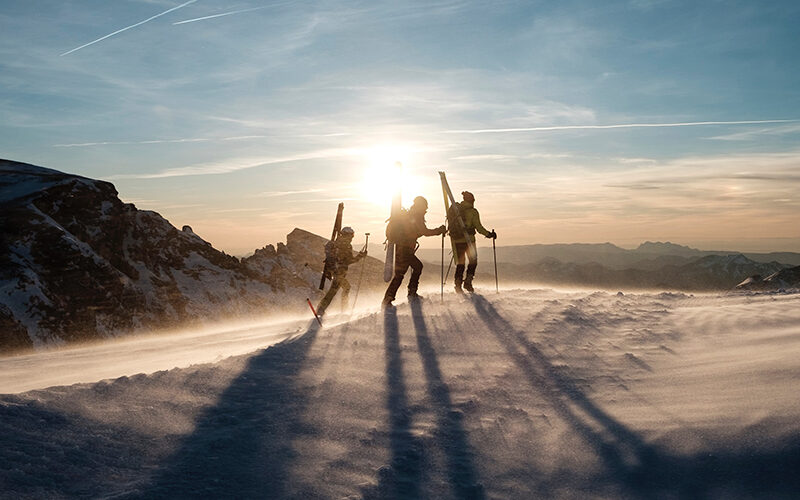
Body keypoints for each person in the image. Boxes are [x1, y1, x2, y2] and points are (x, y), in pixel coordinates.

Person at [382, 196, 446, 308]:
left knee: (407, 271)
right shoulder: (416, 216)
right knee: (406, 272)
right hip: (405, 249)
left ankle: (396, 296)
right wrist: (439, 231)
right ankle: (397, 297)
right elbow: (424, 231)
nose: (426, 208)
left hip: (402, 247)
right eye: (425, 206)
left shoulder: (410, 214)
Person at [450, 190, 496, 293]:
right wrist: (489, 234)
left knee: (460, 263)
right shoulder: (473, 212)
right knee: (473, 262)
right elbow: (479, 228)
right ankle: (468, 283)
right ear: (472, 200)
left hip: (457, 241)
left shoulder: (456, 211)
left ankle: (458, 285)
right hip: (469, 241)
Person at [316, 226, 366, 316]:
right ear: (347, 235)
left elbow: (347, 260)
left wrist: (360, 256)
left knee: (343, 288)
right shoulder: (345, 245)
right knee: (336, 290)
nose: (351, 238)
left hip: (336, 271)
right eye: (351, 236)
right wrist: (360, 256)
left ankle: (323, 308)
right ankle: (323, 309)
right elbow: (349, 260)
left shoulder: (338, 244)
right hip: (339, 272)